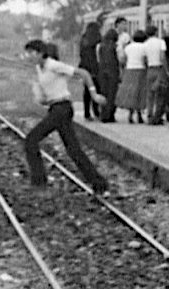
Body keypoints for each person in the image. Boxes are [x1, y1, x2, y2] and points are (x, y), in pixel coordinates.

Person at [20, 39, 109, 195]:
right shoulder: (39, 68)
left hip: (62, 109)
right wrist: (39, 95)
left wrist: (94, 95)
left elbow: (83, 73)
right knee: (73, 150)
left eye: (32, 53)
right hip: (56, 108)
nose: (29, 56)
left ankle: (39, 183)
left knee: (31, 140)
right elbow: (47, 95)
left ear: (41, 53)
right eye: (28, 53)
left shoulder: (53, 65)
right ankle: (99, 184)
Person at [117, 29, 149, 123]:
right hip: (141, 70)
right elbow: (145, 59)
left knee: (130, 92)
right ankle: (139, 115)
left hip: (129, 70)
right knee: (140, 92)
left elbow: (123, 59)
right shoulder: (144, 47)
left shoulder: (128, 47)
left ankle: (130, 114)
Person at [95, 19, 121, 123]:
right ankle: (110, 115)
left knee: (104, 93)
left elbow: (98, 59)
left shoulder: (99, 46)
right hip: (113, 71)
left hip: (102, 71)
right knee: (112, 94)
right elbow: (120, 59)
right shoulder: (116, 47)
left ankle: (103, 114)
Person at [143, 25, 169, 124]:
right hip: (159, 69)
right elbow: (162, 57)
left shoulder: (145, 44)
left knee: (150, 95)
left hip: (150, 69)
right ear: (156, 32)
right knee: (160, 94)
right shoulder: (161, 42)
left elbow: (145, 59)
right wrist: (166, 70)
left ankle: (149, 116)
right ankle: (157, 117)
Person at [77, 20, 102, 121]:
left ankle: (87, 113)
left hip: (85, 67)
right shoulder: (98, 39)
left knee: (87, 91)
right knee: (97, 89)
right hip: (96, 68)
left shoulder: (83, 39)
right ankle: (96, 111)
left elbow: (81, 54)